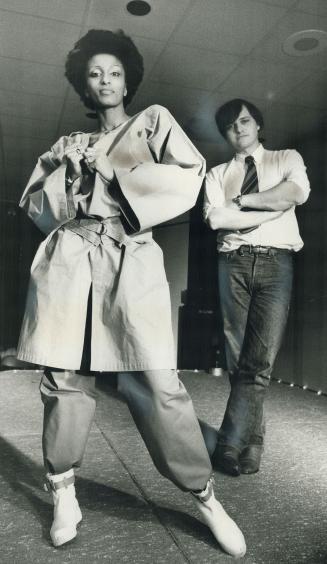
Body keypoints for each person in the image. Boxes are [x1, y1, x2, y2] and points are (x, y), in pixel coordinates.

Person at [17, 30, 246, 556]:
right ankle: (64, 492)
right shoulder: (66, 144)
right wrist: (66, 170)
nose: (105, 81)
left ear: (128, 81)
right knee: (64, 378)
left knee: (157, 383)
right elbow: (37, 208)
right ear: (84, 83)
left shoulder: (154, 122)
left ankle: (204, 495)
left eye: (114, 72)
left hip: (129, 255)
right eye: (95, 73)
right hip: (70, 259)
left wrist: (113, 173)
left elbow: (190, 178)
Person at [204, 98, 310, 477]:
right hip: (232, 263)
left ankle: (230, 443)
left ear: (257, 124)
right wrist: (272, 206)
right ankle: (254, 443)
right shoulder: (216, 175)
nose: (239, 129)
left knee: (259, 361)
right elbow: (217, 219)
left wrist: (245, 201)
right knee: (239, 360)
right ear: (225, 133)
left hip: (276, 264)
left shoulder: (287, 158)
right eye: (230, 125)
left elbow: (295, 194)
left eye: (245, 120)